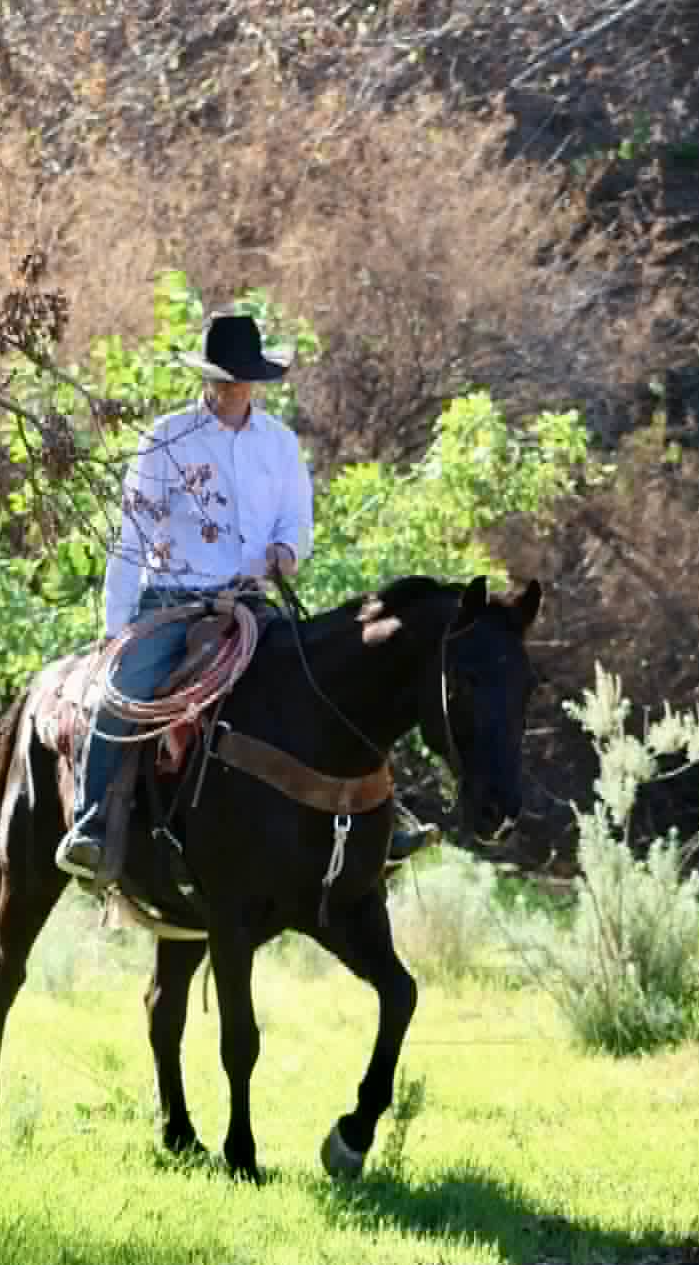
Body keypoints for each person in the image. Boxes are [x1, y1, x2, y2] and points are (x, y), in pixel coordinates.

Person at [55, 312, 433, 883]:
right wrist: (116, 627)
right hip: (172, 603)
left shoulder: (279, 443)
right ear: (207, 378)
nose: (233, 388)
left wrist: (286, 550)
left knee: (331, 679)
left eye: (241, 378)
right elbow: (131, 536)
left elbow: (297, 521)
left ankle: (384, 814)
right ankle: (91, 822)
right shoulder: (167, 438)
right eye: (224, 378)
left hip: (251, 605)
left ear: (258, 379)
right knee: (122, 692)